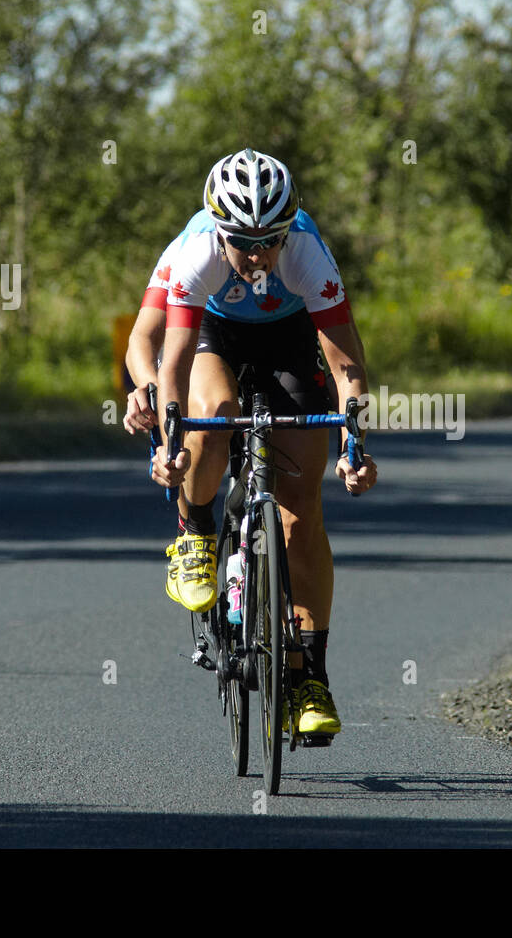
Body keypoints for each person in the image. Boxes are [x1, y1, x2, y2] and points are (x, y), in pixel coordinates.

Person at [137, 148, 376, 738]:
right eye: (242, 241)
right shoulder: (194, 256)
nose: (257, 255)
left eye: (270, 239)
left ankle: (310, 677)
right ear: (220, 231)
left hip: (290, 338)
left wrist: (355, 447)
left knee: (302, 516)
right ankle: (194, 535)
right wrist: (170, 444)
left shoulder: (307, 254)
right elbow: (172, 367)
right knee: (214, 413)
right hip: (216, 334)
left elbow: (348, 368)